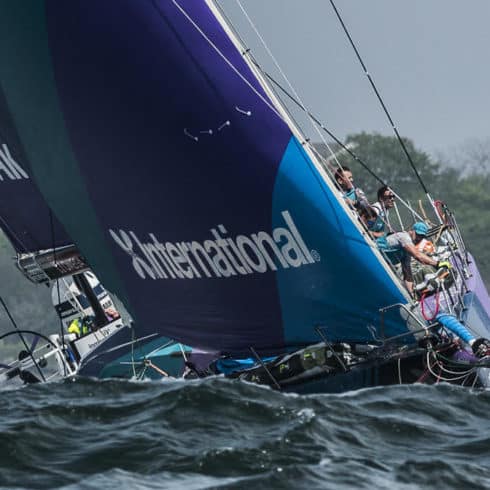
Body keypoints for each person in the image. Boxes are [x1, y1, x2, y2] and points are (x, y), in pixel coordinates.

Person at [360, 207, 449, 295]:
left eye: (422, 237)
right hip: (369, 253)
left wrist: (411, 293)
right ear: (412, 231)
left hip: (377, 264)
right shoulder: (404, 237)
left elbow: (408, 274)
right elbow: (418, 255)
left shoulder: (407, 252)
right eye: (418, 235)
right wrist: (437, 263)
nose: (419, 238)